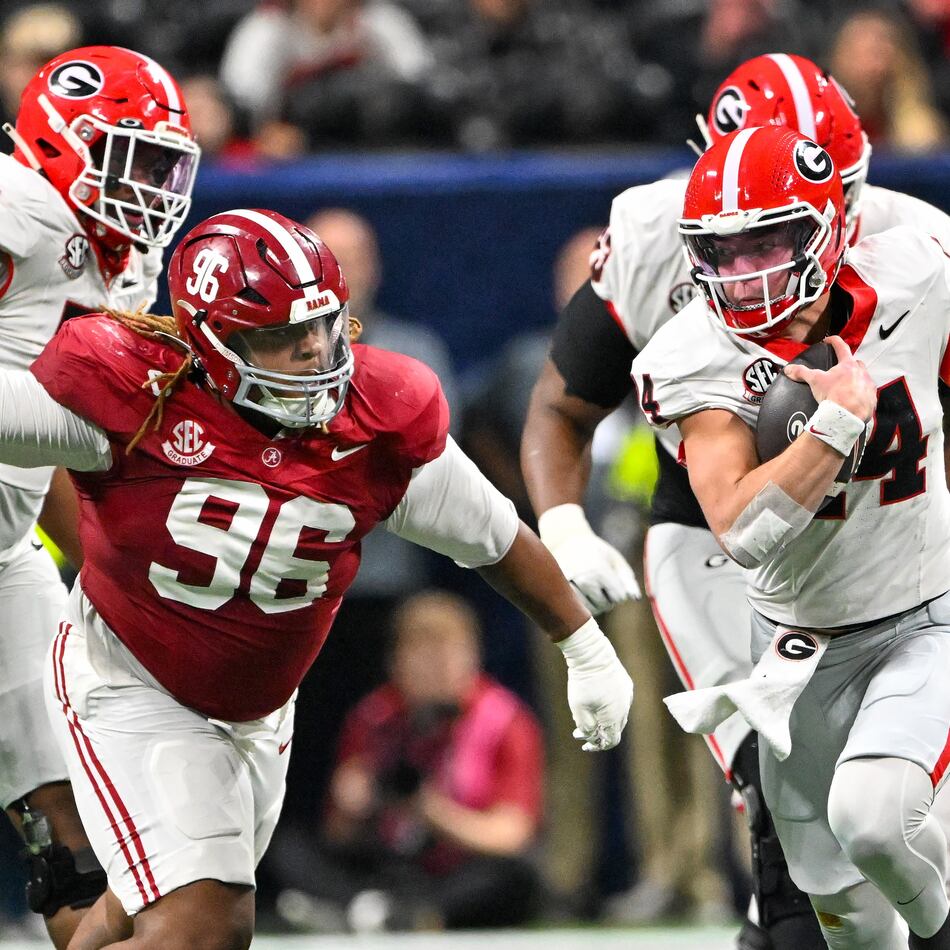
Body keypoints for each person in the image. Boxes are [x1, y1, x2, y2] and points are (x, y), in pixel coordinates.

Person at [0, 208, 632, 949]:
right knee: (205, 919)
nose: (310, 350)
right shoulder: (131, 394)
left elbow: (495, 540)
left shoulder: (378, 419)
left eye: (321, 326)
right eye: (280, 335)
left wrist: (585, 646)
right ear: (213, 343)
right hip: (133, 680)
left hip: (260, 709)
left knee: (152, 905)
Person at [520, 52, 950, 950]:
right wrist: (562, 522)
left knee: (886, 804)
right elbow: (565, 405)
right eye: (733, 249)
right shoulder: (658, 251)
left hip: (891, 536)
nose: (754, 272)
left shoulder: (914, 249)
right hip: (718, 534)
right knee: (777, 790)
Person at [631, 123, 950, 949]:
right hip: (797, 654)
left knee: (876, 820)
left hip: (926, 617)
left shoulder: (921, 270)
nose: (745, 270)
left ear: (827, 227)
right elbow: (742, 527)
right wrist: (835, 427)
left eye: (767, 243)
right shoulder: (692, 354)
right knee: (853, 928)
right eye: (723, 250)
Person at [0, 45, 199, 949]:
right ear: (61, 138)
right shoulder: (22, 206)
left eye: (164, 166)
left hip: (6, 554)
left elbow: (52, 448)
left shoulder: (124, 261)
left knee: (80, 846)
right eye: (135, 159)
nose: (151, 187)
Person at [268, 589, 544, 932]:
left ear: (473, 658)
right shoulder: (374, 717)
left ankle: (401, 915)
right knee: (288, 848)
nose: (435, 670)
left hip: (459, 867)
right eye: (423, 656)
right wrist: (353, 803)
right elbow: (338, 835)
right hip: (387, 862)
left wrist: (430, 811)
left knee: (518, 875)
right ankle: (377, 911)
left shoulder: (505, 720)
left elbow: (512, 835)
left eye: (446, 655)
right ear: (396, 662)